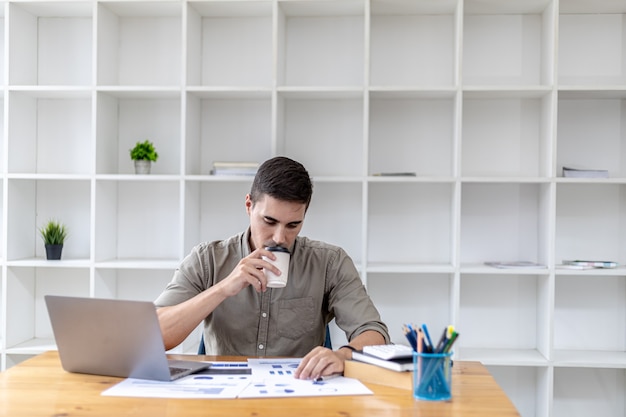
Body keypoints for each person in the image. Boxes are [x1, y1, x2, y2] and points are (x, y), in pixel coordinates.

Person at [154, 156, 390, 380]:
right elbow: (152, 336)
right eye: (269, 221)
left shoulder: (330, 263)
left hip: (298, 393)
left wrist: (343, 355)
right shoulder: (207, 260)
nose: (279, 237)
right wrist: (223, 288)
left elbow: (374, 333)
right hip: (225, 396)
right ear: (249, 205)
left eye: (292, 225)